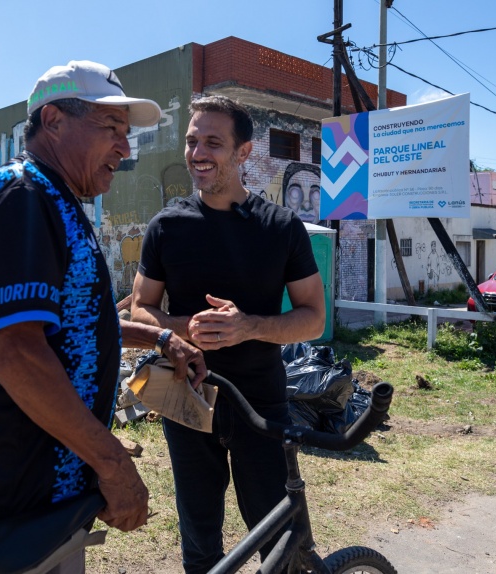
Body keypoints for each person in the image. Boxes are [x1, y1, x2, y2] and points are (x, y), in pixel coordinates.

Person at [0, 60, 206, 572]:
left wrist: (161, 340)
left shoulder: (53, 200)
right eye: (110, 129)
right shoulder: (24, 199)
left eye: (127, 135)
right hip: (18, 487)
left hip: (49, 485)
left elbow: (75, 326)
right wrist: (115, 465)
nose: (125, 149)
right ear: (54, 120)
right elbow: (16, 354)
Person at [131, 95, 326, 573]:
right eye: (192, 141)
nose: (198, 152)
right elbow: (140, 308)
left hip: (261, 403)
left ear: (243, 152)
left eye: (213, 142)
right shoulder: (167, 227)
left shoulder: (281, 228)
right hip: (187, 399)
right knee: (199, 539)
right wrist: (185, 327)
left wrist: (249, 327)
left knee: (278, 538)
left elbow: (313, 317)